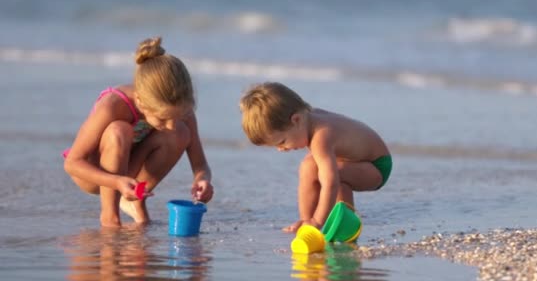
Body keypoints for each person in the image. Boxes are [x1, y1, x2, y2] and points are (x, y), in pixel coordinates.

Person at [63, 37, 213, 227]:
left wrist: (203, 180)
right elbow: (72, 163)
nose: (170, 125)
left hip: (127, 174)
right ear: (141, 102)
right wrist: (116, 182)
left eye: (177, 116)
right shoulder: (113, 105)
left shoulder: (180, 108)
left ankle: (135, 199)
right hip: (95, 175)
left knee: (181, 133)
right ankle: (110, 216)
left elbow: (200, 164)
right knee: (119, 130)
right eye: (162, 119)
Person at [239, 82, 392, 233]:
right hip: (352, 162)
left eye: (282, 142)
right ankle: (306, 220)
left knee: (332, 174)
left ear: (296, 120)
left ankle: (347, 222)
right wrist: (310, 220)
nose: (281, 149)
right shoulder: (308, 119)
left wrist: (318, 221)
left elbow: (330, 183)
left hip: (376, 166)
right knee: (308, 166)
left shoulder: (321, 137)